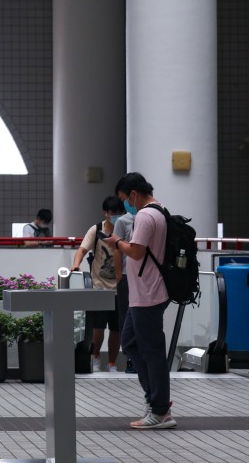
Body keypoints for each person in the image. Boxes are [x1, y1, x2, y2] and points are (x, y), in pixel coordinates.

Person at [103, 172, 176, 430]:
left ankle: (160, 410)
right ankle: (154, 400)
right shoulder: (159, 210)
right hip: (142, 293)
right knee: (131, 342)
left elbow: (136, 251)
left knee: (152, 350)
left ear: (134, 194)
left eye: (125, 199)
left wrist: (117, 241)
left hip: (148, 293)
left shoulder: (145, 215)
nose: (125, 204)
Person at [71, 196, 122, 372]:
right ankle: (96, 357)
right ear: (105, 213)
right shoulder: (96, 229)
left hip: (119, 287)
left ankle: (112, 363)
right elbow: (82, 249)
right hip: (99, 287)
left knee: (117, 329)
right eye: (112, 213)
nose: (115, 217)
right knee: (97, 327)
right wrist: (76, 264)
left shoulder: (124, 229)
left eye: (118, 213)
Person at [112, 201, 136, 373]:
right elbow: (116, 249)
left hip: (145, 278)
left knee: (142, 317)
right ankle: (130, 358)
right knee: (126, 317)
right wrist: (119, 275)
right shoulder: (122, 221)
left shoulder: (149, 218)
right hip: (127, 277)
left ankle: (140, 357)